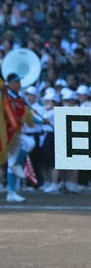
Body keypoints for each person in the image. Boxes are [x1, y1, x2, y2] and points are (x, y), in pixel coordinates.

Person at [2, 73, 35, 203]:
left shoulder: (18, 98)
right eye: (15, 82)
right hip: (7, 132)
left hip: (14, 133)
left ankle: (11, 192)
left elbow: (27, 115)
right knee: (29, 142)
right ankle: (17, 166)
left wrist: (40, 122)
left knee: (11, 161)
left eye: (19, 81)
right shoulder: (5, 97)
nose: (18, 84)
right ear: (9, 83)